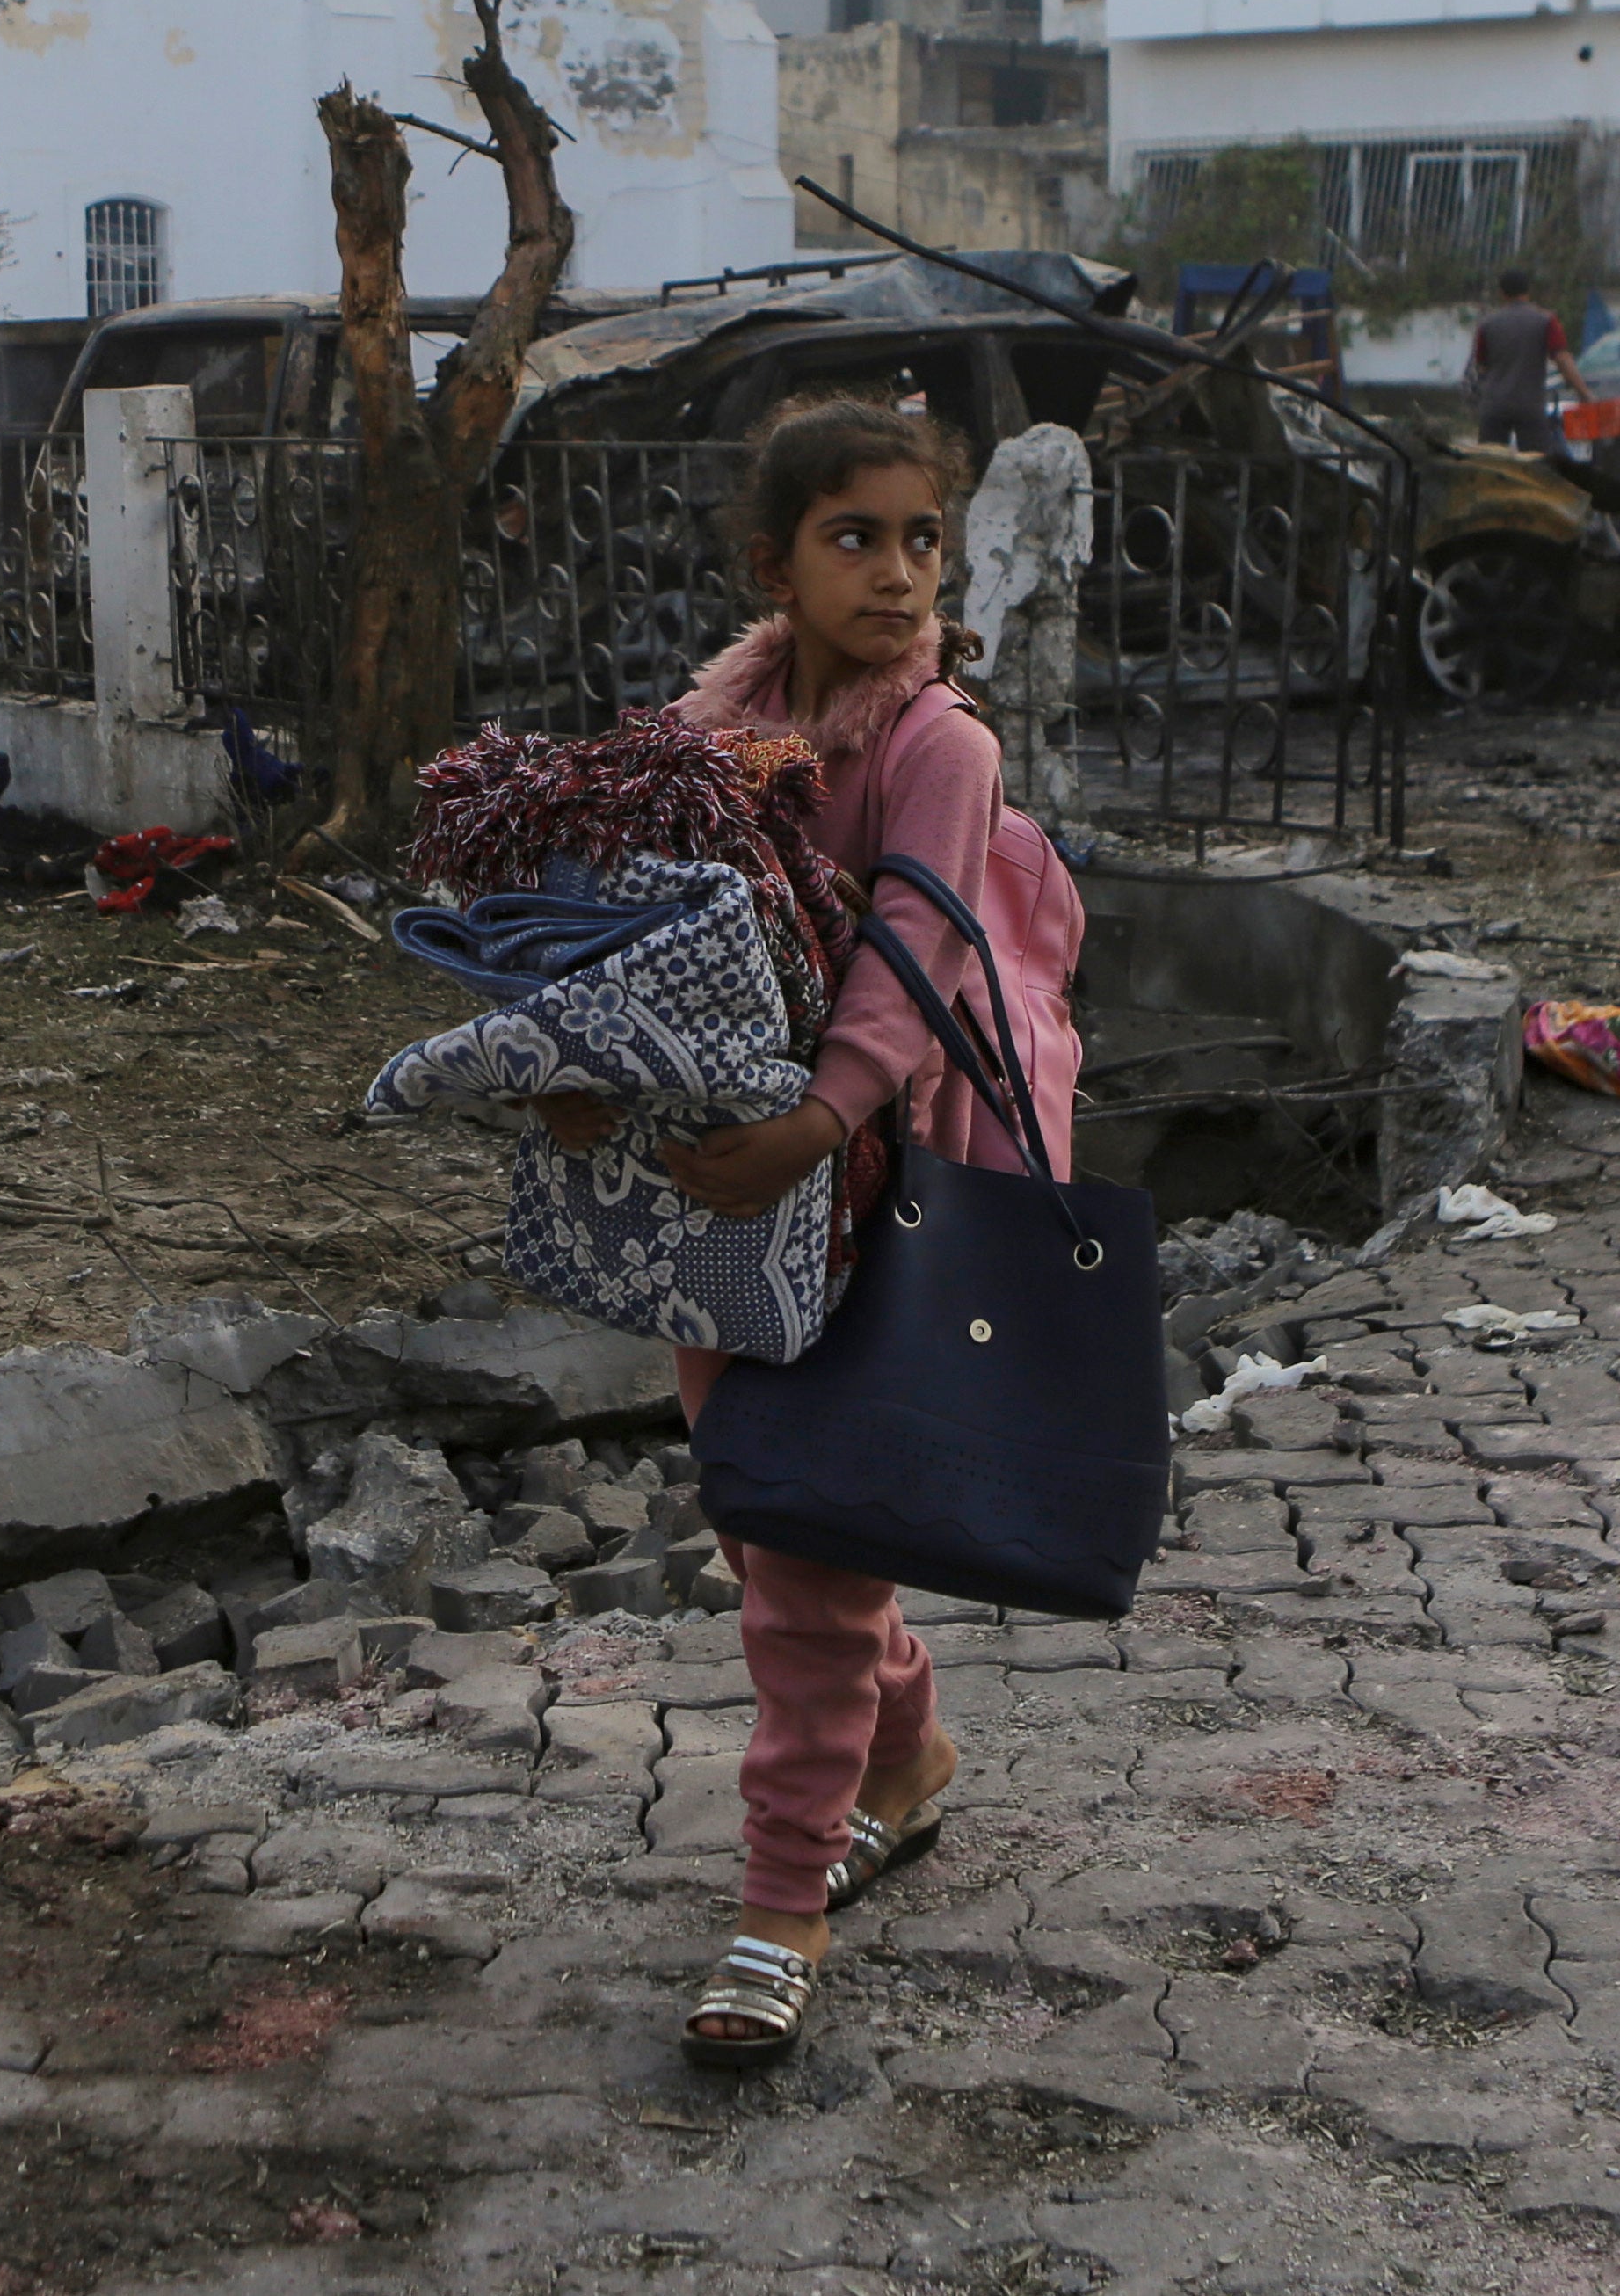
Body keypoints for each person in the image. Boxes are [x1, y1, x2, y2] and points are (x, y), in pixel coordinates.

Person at [541, 396, 1027, 2070]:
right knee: (770, 1524)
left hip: (867, 1197)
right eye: (855, 538)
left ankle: (782, 1899)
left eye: (923, 539)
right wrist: (582, 1071)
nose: (899, 574)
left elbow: (914, 958)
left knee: (805, 1569)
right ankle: (909, 1761)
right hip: (718, 1191)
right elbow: (647, 944)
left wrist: (821, 1127)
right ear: (774, 563)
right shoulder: (703, 736)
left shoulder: (935, 746)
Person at [1465, 267, 1591, 454]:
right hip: (1529, 406)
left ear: (1501, 293)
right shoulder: (1546, 321)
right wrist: (1584, 394)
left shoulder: (1487, 325)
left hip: (1494, 406)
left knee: (1491, 463)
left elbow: (1482, 367)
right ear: (1527, 291)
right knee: (1536, 463)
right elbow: (1562, 359)